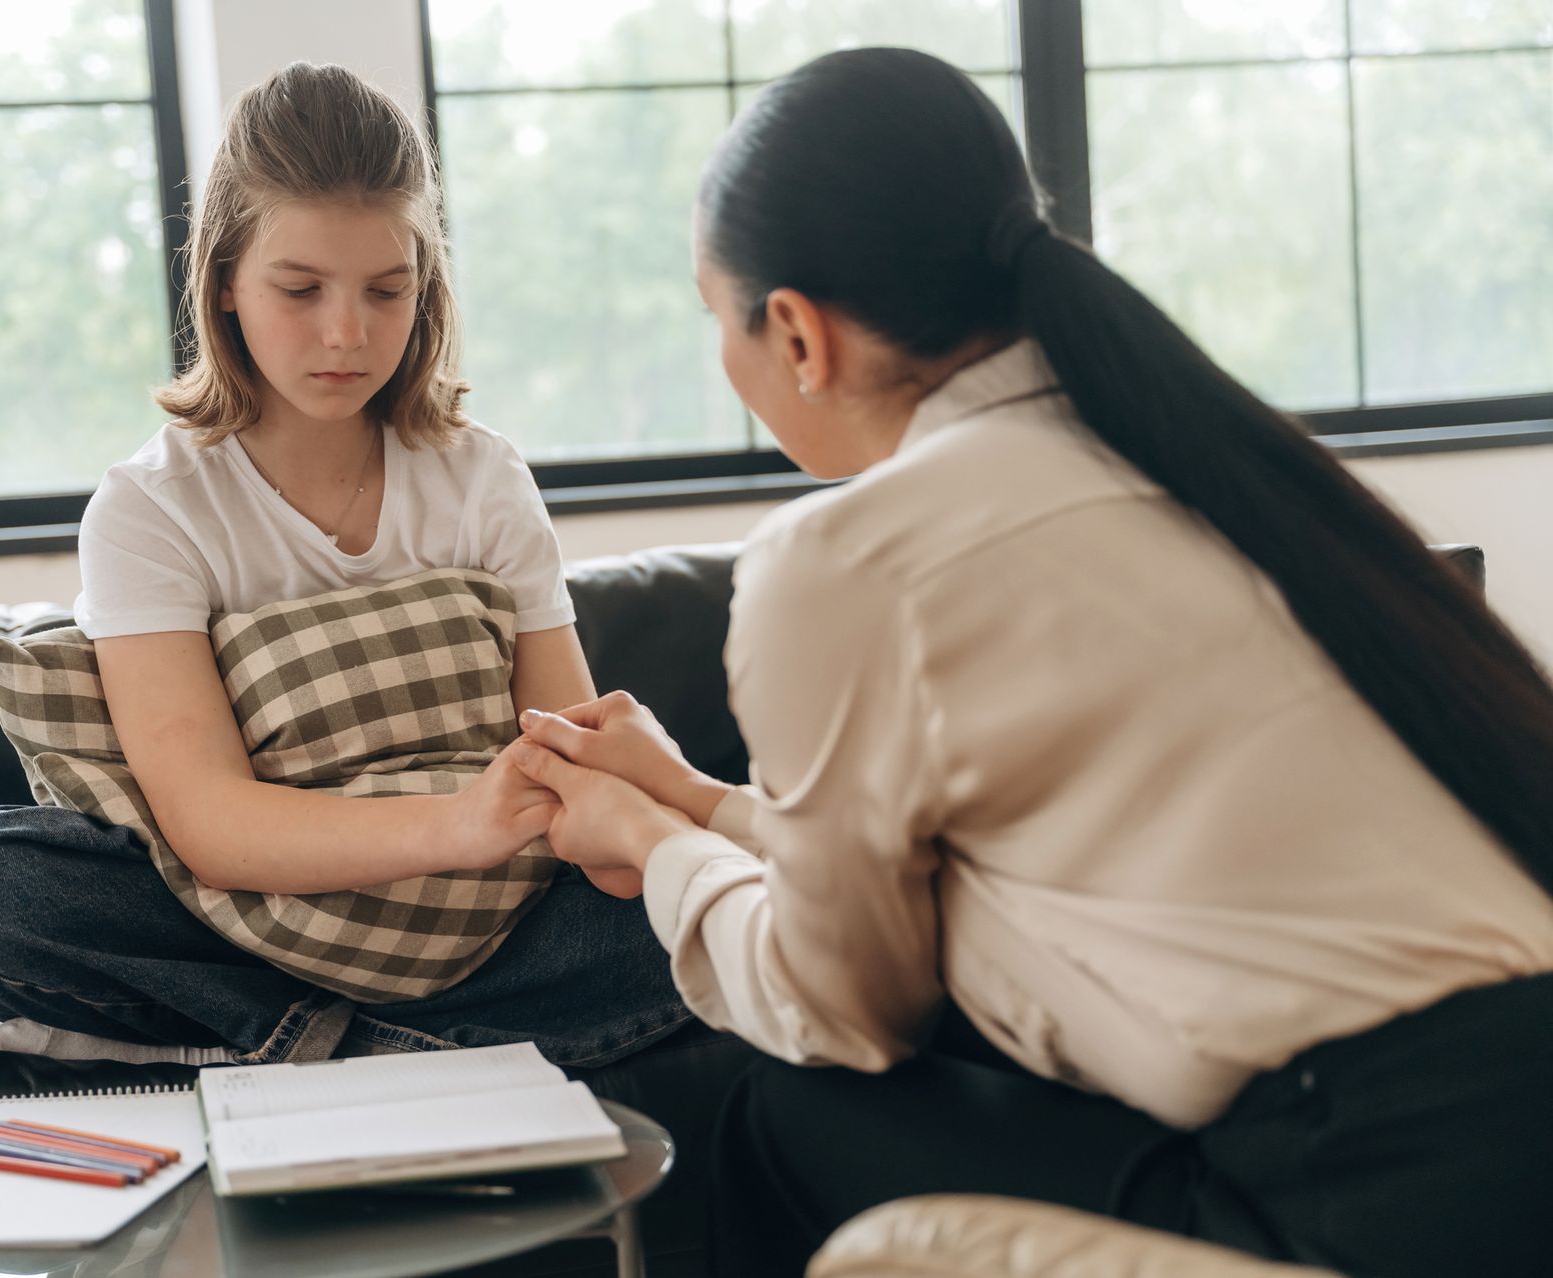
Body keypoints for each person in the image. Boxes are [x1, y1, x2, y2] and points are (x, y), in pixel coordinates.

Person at [508, 46, 1553, 1278]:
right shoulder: (1201, 461)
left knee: (783, 1117)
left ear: (795, 332)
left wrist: (651, 848)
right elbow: (985, 901)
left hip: (1362, 1194)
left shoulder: (847, 560)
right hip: (1502, 1138)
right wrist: (692, 798)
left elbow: (839, 1007)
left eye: (711, 316)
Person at [0, 62, 689, 1071]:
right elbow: (213, 829)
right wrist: (457, 823)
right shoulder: (152, 508)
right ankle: (403, 1054)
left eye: (387, 289)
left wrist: (637, 818)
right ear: (226, 280)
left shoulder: (482, 476)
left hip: (489, 936)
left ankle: (296, 1052)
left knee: (726, 904)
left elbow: (564, 768)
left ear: (427, 286)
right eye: (300, 288)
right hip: (239, 927)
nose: (346, 334)